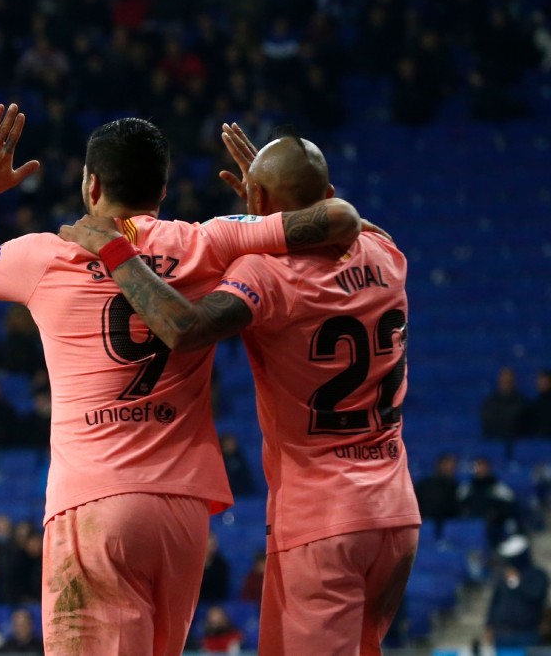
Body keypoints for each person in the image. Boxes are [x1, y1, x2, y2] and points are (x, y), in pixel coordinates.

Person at [0, 108, 361, 655]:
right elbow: (339, 220)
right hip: (182, 510)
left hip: (95, 504)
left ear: (91, 185)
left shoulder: (46, 254)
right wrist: (261, 205)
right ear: (163, 189)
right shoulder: (209, 241)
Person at [59, 124, 420, 656]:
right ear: (325, 193)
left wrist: (116, 252)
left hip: (322, 520)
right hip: (395, 513)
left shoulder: (266, 273)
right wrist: (268, 205)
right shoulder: (386, 251)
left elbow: (184, 328)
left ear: (260, 203)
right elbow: (345, 221)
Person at [486, 535, 550, 649]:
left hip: (527, 634)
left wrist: (517, 581)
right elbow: (495, 601)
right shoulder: (503, 576)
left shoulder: (537, 575)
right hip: (502, 635)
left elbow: (537, 596)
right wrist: (489, 624)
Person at [414, 453, 461, 533]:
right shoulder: (424, 484)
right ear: (439, 465)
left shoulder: (455, 486)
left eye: (453, 466)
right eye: (446, 464)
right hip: (425, 522)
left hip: (448, 524)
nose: (450, 468)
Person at [481, 366, 527, 441]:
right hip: (493, 439)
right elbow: (487, 421)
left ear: (513, 382)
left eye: (509, 381)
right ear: (499, 381)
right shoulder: (490, 401)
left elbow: (520, 422)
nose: (506, 382)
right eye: (504, 380)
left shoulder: (522, 401)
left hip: (516, 439)